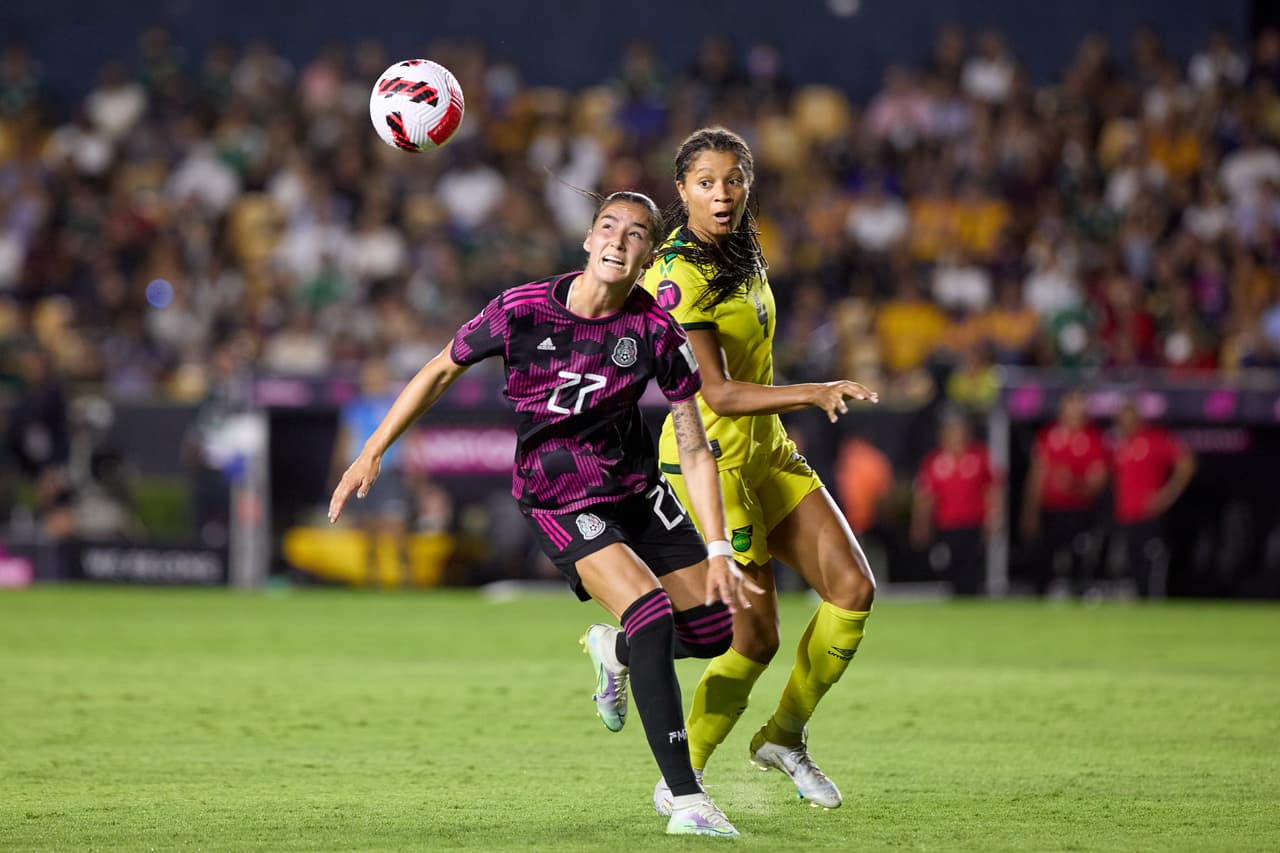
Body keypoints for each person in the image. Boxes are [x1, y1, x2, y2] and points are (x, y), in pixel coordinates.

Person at [329, 191, 759, 838]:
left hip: (636, 489)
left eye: (637, 234)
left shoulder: (655, 331)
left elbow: (694, 443)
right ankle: (686, 797)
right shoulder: (521, 310)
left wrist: (721, 547)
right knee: (650, 612)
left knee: (713, 633)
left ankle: (613, 651)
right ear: (588, 240)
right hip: (560, 496)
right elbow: (440, 369)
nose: (619, 240)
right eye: (608, 227)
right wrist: (372, 449)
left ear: (648, 257)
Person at [634, 127, 878, 812]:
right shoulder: (678, 274)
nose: (723, 192)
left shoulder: (743, 247)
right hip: (709, 462)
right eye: (706, 181)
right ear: (681, 191)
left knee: (854, 588)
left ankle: (784, 736)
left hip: (765, 449)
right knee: (756, 638)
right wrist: (816, 390)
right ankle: (679, 777)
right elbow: (716, 392)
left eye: (734, 178)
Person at [1020, 388, 1109, 596]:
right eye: (1070, 403)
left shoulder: (1094, 438)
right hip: (1050, 509)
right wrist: (1029, 512)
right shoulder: (1048, 435)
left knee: (1079, 560)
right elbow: (1037, 476)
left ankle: (1079, 600)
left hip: (1079, 511)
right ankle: (1039, 604)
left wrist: (1074, 484)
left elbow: (1098, 480)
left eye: (1078, 404)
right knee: (1042, 560)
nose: (1074, 409)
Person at [911, 410, 1003, 596]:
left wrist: (995, 516)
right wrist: (921, 523)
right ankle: (955, 596)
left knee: (972, 566)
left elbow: (992, 489)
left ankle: (972, 598)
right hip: (947, 524)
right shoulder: (934, 461)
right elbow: (926, 496)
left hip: (972, 522)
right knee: (950, 565)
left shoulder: (979, 457)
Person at [1110, 400, 1196, 597]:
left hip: (1149, 517)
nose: (1124, 423)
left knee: (1152, 567)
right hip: (1127, 518)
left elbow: (1187, 463)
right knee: (1133, 567)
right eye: (1121, 419)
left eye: (1128, 418)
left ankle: (1155, 604)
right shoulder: (1121, 445)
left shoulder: (1154, 439)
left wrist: (1167, 495)